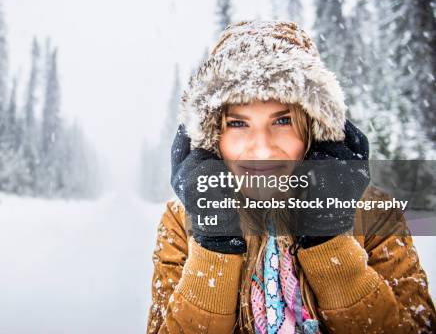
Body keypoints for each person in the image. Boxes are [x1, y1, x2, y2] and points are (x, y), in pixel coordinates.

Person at [146, 20, 435, 333]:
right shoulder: (181, 222)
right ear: (213, 137)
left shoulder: (376, 216)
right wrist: (214, 240)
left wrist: (328, 235)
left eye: (282, 120)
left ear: (314, 128)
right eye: (238, 124)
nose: (262, 149)